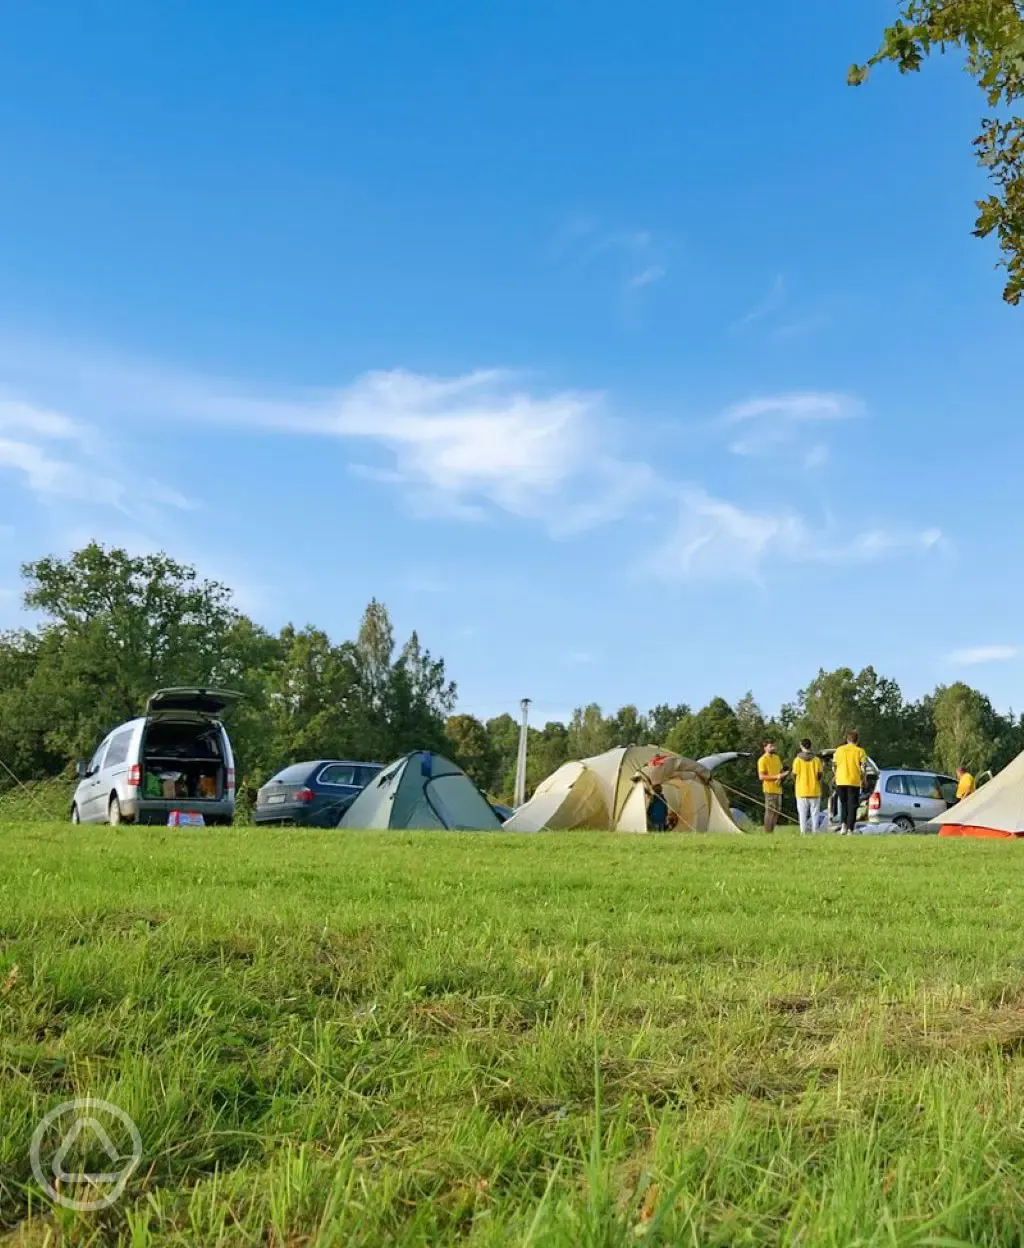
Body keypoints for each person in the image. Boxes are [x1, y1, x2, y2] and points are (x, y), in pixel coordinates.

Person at [832, 730, 867, 835]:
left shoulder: (839, 750)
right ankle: (850, 829)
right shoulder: (860, 751)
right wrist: (864, 779)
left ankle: (843, 825)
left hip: (841, 780)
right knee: (852, 806)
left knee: (843, 804)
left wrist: (836, 775)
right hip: (854, 781)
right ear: (857, 740)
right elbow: (863, 767)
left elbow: (834, 766)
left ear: (847, 739)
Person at [791, 738, 823, 837]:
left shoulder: (797, 760)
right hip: (814, 790)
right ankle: (815, 831)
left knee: (802, 813)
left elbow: (794, 774)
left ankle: (803, 832)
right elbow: (819, 775)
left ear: (801, 746)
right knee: (815, 813)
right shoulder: (816, 760)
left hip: (801, 790)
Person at [757, 741, 788, 833]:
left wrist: (783, 775)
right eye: (770, 746)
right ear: (765, 748)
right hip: (769, 789)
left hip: (778, 788)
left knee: (777, 811)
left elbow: (780, 771)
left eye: (773, 746)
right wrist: (776, 777)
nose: (773, 748)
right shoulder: (762, 760)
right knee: (770, 811)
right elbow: (761, 776)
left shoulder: (777, 758)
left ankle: (772, 830)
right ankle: (767, 831)